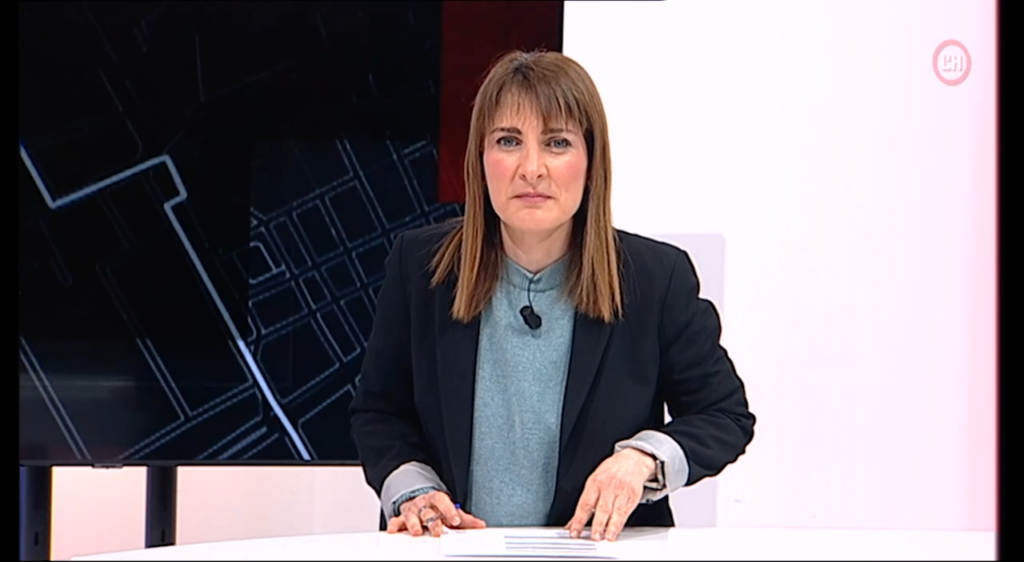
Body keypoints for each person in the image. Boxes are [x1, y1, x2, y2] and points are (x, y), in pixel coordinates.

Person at [349, 49, 755, 542]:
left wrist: (642, 459)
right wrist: (413, 491)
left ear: (591, 161)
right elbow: (379, 413)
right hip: (449, 549)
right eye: (508, 141)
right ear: (481, 158)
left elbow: (723, 415)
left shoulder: (655, 278)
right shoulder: (420, 267)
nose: (532, 168)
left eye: (557, 142)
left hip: (597, 552)